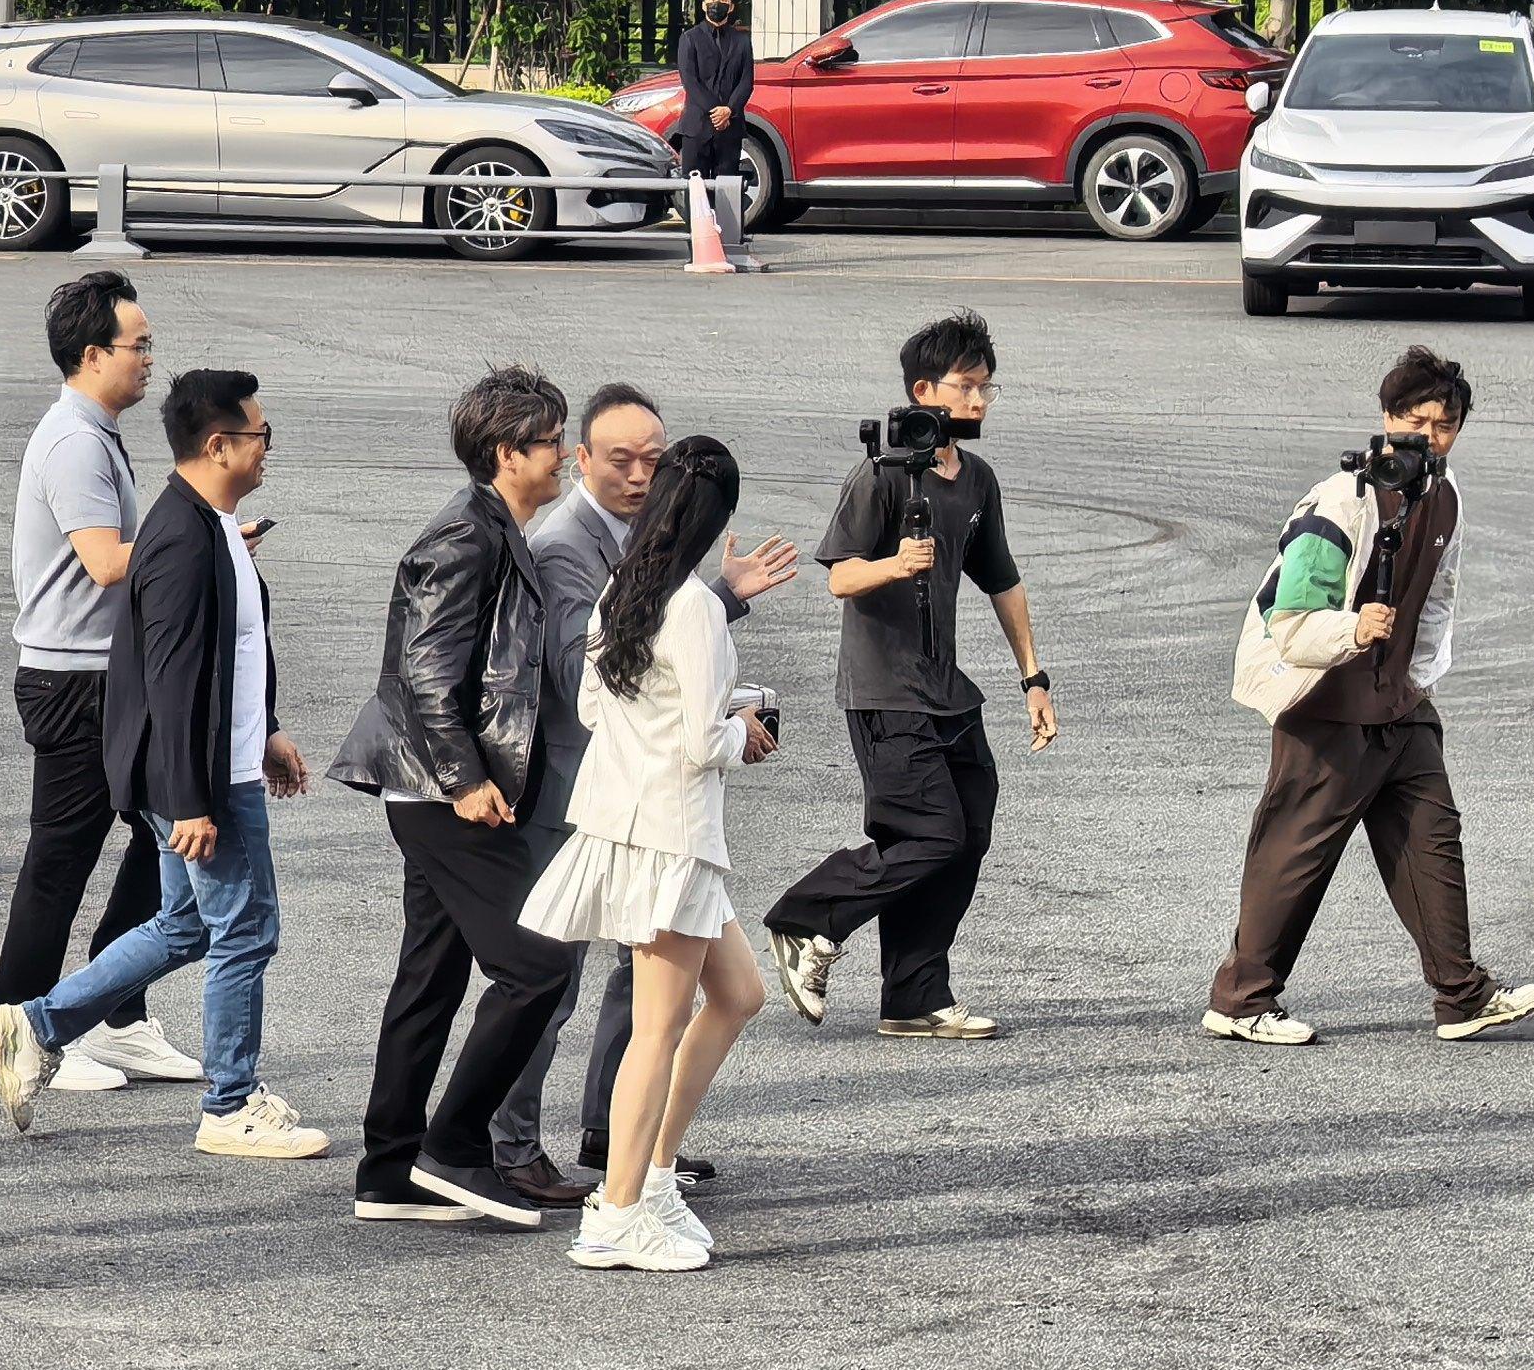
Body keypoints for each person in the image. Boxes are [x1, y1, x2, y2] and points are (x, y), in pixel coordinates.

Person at [0, 369, 323, 1160]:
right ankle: (230, 1105)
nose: (269, 449)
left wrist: (268, 730)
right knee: (246, 931)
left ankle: (38, 1025)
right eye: (261, 436)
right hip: (203, 778)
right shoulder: (180, 539)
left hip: (219, 763)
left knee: (185, 926)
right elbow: (168, 680)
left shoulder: (213, 525)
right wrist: (190, 799)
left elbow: (236, 647)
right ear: (220, 446)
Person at [490, 385, 797, 1208]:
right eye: (619, 458)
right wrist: (735, 729)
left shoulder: (628, 581)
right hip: (655, 824)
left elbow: (604, 703)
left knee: (735, 994)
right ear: (583, 457)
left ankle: (640, 1162)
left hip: (634, 817)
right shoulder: (655, 588)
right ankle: (620, 1202)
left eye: (650, 462)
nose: (634, 474)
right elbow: (681, 736)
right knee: (616, 1011)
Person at [1204, 348, 1534, 1049]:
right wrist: (1352, 630)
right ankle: (1240, 999)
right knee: (1295, 855)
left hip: (1400, 702)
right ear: (1386, 418)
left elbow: (1439, 594)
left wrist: (1419, 676)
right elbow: (1290, 619)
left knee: (1432, 839)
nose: (1429, 437)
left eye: (1445, 425)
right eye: (1415, 421)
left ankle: (1461, 995)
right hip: (1325, 700)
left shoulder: (1447, 495)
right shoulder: (1340, 500)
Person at [332, 365, 587, 1229]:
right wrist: (467, 780)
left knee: (430, 978)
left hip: (438, 785)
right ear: (508, 452)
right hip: (442, 792)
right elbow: (427, 673)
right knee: (538, 966)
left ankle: (388, 1174)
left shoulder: (494, 527)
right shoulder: (463, 536)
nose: (564, 457)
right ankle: (455, 1150)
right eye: (551, 442)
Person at [763, 310, 1061, 1039]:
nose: (980, 400)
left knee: (969, 829)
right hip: (884, 689)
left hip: (947, 690)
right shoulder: (881, 473)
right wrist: (895, 564)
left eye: (988, 388)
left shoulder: (977, 479)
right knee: (930, 832)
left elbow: (1002, 578)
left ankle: (914, 996)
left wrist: (1034, 678)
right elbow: (839, 577)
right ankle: (805, 918)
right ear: (924, 390)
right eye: (967, 386)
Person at [0, 269, 202, 1095]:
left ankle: (113, 1012)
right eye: (138, 345)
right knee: (61, 860)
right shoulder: (75, 440)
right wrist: (200, 540)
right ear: (91, 354)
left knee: (161, 835)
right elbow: (105, 561)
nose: (149, 359)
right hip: (73, 681)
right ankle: (24, 1025)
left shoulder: (95, 429)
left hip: (108, 674)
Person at [676, 0, 765, 267]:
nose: (718, 3)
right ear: (703, 5)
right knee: (696, 190)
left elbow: (746, 81)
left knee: (727, 189)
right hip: (697, 127)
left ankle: (726, 248)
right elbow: (690, 80)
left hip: (730, 127)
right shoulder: (689, 38)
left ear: (732, 6)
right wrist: (715, 109)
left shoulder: (742, 41)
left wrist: (729, 110)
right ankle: (698, 250)